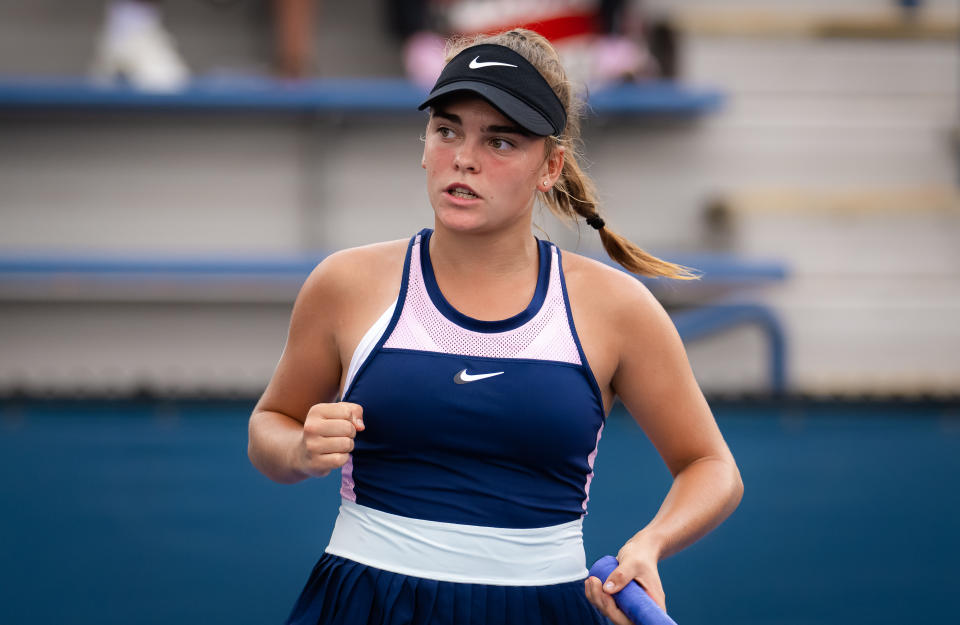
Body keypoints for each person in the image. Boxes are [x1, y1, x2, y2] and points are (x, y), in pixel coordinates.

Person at [247, 28, 743, 625]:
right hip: (364, 605)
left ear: (550, 166)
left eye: (500, 141)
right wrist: (301, 449)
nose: (464, 157)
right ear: (425, 144)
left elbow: (712, 467)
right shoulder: (344, 283)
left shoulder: (619, 307)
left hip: (545, 608)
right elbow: (268, 428)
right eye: (447, 129)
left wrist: (650, 545)